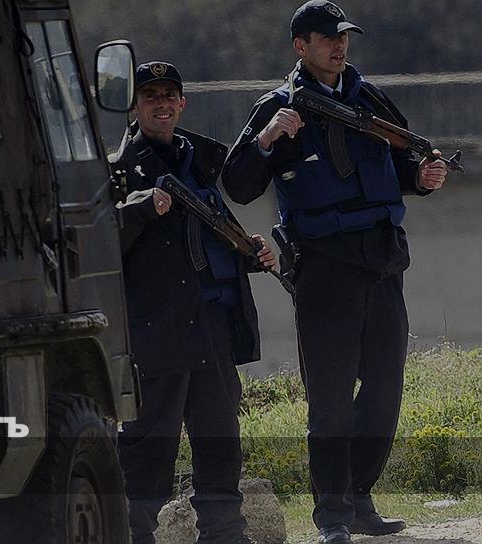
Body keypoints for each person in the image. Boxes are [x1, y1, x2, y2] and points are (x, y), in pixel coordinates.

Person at [220, 2, 448, 543]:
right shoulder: (277, 106)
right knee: (329, 397)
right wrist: (267, 138)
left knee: (385, 387)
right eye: (326, 37)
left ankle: (360, 497)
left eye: (342, 35)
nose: (338, 45)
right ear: (300, 46)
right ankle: (333, 515)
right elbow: (238, 184)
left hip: (382, 260)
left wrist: (423, 176)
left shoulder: (370, 99)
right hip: (324, 267)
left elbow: (401, 164)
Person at [114, 61, 276, 544]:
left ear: (182, 103)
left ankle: (225, 534)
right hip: (158, 331)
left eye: (169, 95)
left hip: (212, 325)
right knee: (148, 447)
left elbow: (209, 233)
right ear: (135, 107)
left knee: (220, 440)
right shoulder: (118, 169)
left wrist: (249, 252)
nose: (161, 104)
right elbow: (97, 241)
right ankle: (134, 537)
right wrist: (143, 206)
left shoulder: (199, 159)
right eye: (150, 96)